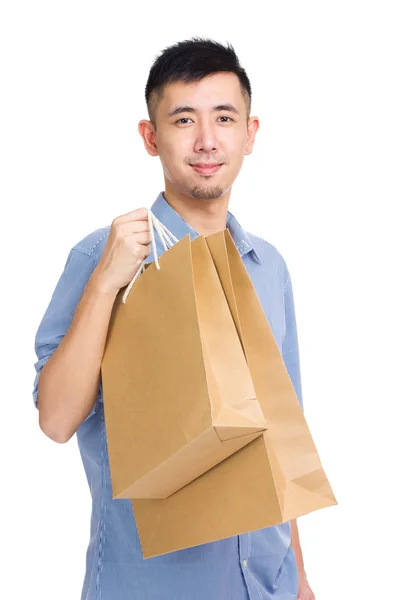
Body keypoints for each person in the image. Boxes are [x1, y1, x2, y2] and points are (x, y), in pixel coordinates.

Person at [32, 37, 315, 600]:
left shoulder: (268, 266)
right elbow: (56, 420)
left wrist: (301, 581)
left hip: (266, 586)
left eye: (224, 118)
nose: (207, 141)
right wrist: (108, 282)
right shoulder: (102, 258)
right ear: (151, 136)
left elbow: (280, 443)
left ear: (250, 134)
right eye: (183, 119)